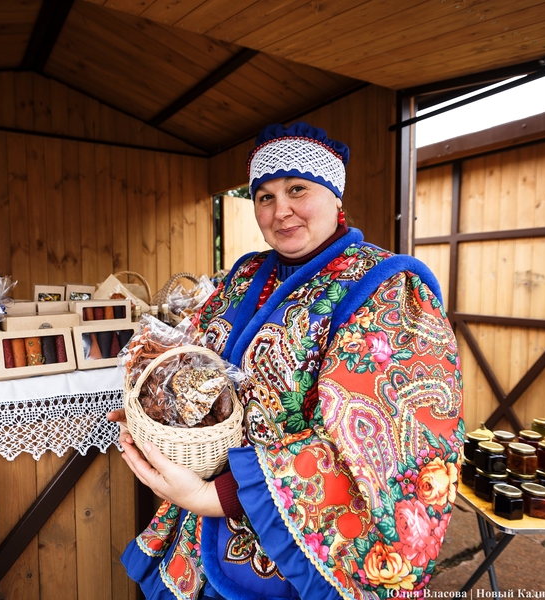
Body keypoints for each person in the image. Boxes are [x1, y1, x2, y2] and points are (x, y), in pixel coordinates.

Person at [108, 122, 464, 600]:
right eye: (265, 197)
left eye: (298, 189)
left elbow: (385, 446)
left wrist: (216, 496)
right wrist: (160, 407)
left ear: (335, 195)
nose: (280, 211)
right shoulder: (245, 275)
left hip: (289, 549)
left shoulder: (385, 288)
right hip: (200, 530)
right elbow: (198, 364)